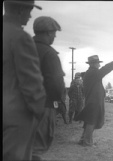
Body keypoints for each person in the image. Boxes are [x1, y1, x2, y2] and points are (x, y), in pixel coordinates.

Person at [3, 1, 46, 160]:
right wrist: (38, 112)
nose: (30, 15)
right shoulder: (20, 37)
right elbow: (32, 84)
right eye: (29, 10)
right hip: (15, 118)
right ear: (21, 9)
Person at [31, 16, 65, 160]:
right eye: (54, 33)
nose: (55, 36)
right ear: (48, 33)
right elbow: (56, 84)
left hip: (19, 105)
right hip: (44, 106)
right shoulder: (50, 54)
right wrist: (60, 102)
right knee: (37, 148)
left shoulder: (24, 47)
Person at [74, 54, 113, 147]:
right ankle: (87, 142)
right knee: (91, 121)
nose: (99, 65)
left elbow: (103, 70)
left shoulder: (91, 73)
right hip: (94, 101)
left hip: (92, 100)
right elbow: (106, 69)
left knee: (88, 120)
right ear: (93, 64)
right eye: (98, 63)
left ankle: (83, 140)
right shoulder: (93, 73)